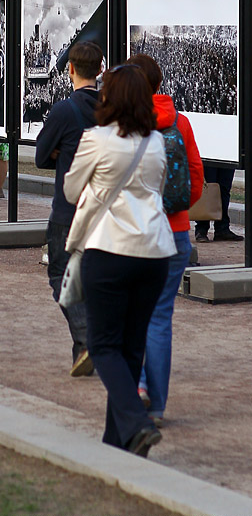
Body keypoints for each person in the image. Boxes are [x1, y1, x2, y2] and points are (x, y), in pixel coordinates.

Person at [64, 64, 176, 456]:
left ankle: (135, 421)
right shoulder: (156, 142)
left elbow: (71, 189)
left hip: (109, 248)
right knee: (131, 347)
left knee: (103, 344)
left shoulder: (97, 138)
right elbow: (157, 191)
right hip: (154, 252)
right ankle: (122, 443)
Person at [128, 53, 203, 426]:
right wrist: (175, 207)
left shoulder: (126, 125)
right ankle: (156, 405)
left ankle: (137, 386)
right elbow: (195, 179)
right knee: (160, 317)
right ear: (158, 85)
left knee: (129, 313)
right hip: (175, 232)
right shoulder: (181, 123)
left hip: (138, 232)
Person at [35, 41, 102, 377]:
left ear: (70, 69)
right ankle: (82, 351)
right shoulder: (111, 107)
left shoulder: (63, 111)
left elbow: (40, 157)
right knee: (93, 277)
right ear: (100, 69)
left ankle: (87, 340)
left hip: (69, 207)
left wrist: (61, 152)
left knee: (61, 274)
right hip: (105, 208)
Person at [195, 166, 242, 242]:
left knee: (224, 190)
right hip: (208, 156)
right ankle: (201, 229)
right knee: (207, 189)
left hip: (228, 156)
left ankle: (222, 229)